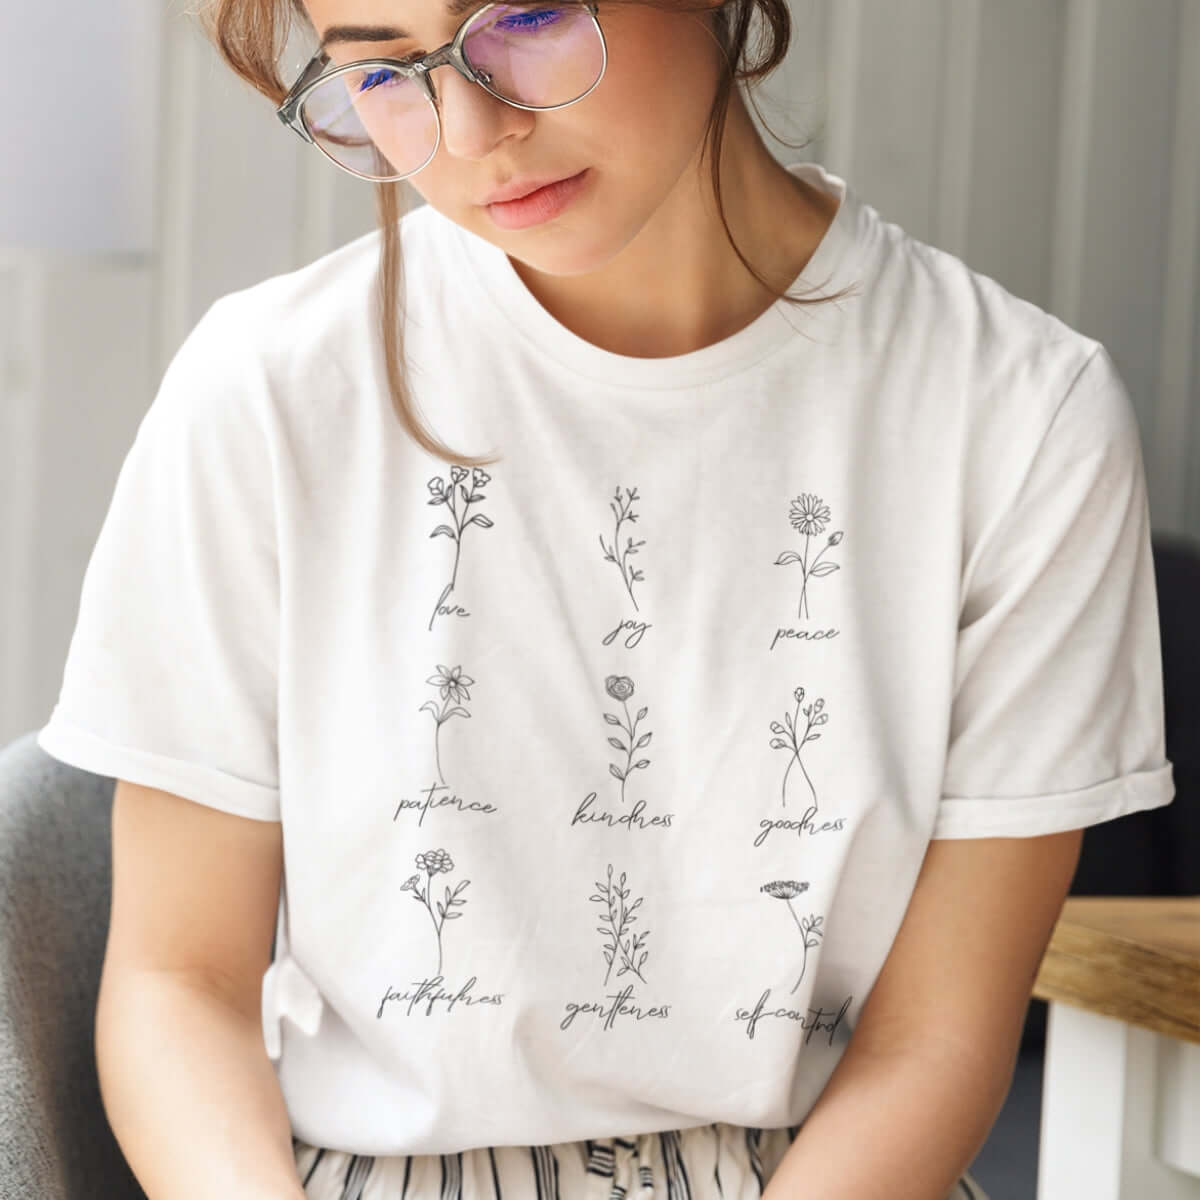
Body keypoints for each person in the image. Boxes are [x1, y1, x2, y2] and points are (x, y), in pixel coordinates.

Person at [36, 0, 1175, 1195]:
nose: (471, 130)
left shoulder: (1023, 419)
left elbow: (933, 1043)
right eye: (378, 70)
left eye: (524, 18)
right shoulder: (267, 394)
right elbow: (179, 986)